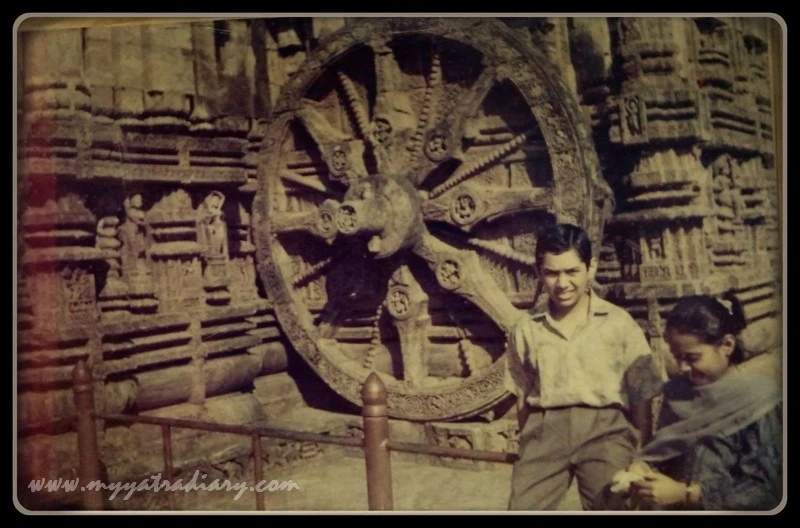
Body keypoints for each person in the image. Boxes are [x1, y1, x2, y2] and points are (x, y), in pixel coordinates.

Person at [506, 223, 665, 510]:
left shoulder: (618, 323)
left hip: (606, 429)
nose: (562, 283)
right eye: (552, 273)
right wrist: (530, 440)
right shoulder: (526, 328)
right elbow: (522, 392)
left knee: (615, 507)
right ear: (540, 272)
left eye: (572, 271)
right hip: (545, 429)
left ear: (589, 268)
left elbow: (643, 393)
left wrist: (642, 453)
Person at [615, 293, 783, 511]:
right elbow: (667, 451)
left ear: (727, 345)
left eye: (692, 358)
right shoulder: (677, 393)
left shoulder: (760, 400)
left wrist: (687, 494)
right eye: (677, 358)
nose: (683, 368)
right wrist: (643, 469)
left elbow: (769, 490)